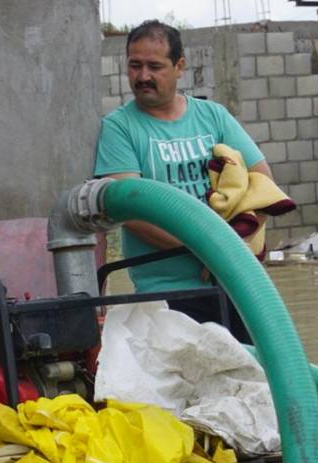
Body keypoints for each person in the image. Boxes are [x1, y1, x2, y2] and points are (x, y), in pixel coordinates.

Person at [94, 20, 273, 343]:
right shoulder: (119, 128)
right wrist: (207, 251)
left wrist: (238, 246)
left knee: (258, 380)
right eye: (135, 65)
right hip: (166, 296)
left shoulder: (213, 116)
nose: (143, 76)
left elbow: (261, 182)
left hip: (236, 285)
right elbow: (131, 211)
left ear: (179, 67)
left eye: (154, 66)